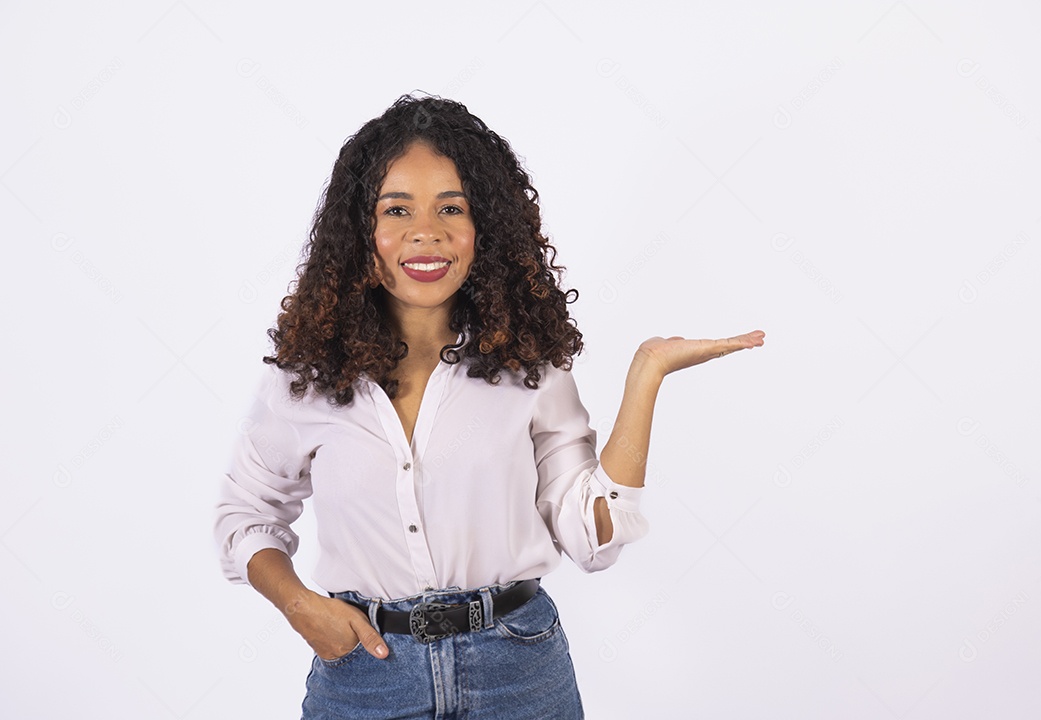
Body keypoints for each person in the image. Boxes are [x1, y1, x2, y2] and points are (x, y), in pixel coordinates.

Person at [213, 94, 765, 719]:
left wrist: (647, 375)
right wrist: (298, 605)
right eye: (397, 209)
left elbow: (591, 538)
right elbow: (247, 512)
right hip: (365, 674)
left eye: (453, 207)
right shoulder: (306, 378)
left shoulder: (529, 367)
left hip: (518, 670)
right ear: (360, 233)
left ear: (486, 232)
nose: (428, 232)